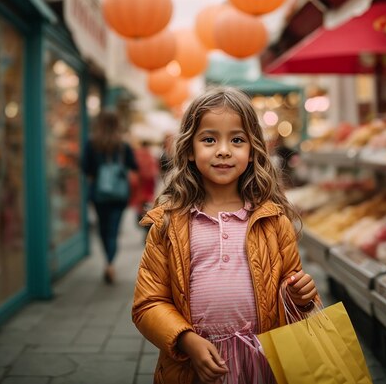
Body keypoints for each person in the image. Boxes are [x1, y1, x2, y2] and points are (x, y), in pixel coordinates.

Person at [132, 87, 320, 384]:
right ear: (190, 150)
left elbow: (291, 289)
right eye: (209, 139)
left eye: (236, 140)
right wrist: (186, 341)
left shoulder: (273, 221)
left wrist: (301, 295)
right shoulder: (168, 225)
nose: (223, 150)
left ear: (252, 149)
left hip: (265, 361)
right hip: (195, 365)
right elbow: (148, 303)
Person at [81, 110, 137, 284]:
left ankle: (107, 260)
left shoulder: (92, 143)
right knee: (113, 230)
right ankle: (110, 263)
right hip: (119, 194)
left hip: (98, 193)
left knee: (103, 229)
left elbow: (84, 167)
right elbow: (133, 166)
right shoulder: (123, 145)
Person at [130, 140, 159, 227]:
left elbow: (133, 171)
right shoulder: (150, 156)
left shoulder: (136, 154)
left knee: (140, 205)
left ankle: (141, 221)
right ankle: (147, 222)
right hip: (148, 185)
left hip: (139, 184)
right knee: (147, 204)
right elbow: (154, 171)